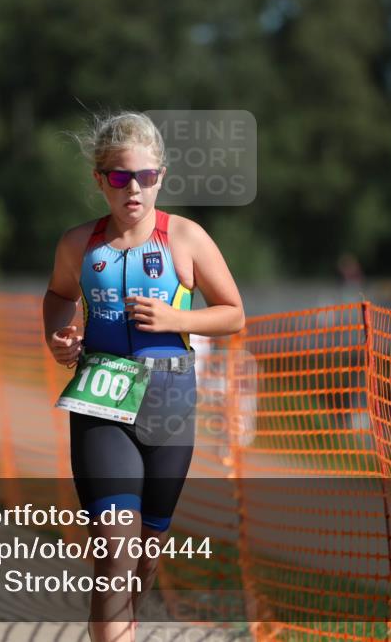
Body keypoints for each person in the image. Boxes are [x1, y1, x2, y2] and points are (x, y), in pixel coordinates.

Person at [43, 112, 245, 642]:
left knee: (146, 558)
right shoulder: (77, 245)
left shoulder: (186, 238)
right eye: (119, 177)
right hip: (102, 401)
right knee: (115, 555)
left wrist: (177, 319)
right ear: (99, 181)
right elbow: (59, 296)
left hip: (169, 403)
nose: (133, 189)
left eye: (145, 177)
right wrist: (59, 335)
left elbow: (233, 313)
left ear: (162, 176)